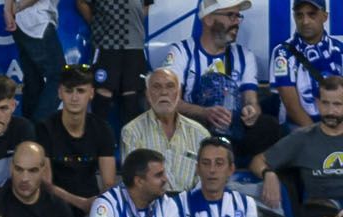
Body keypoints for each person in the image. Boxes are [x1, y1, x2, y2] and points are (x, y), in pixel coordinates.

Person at [164, 0, 280, 164]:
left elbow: (251, 99)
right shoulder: (181, 52)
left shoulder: (244, 55)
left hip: (234, 128)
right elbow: (170, 102)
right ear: (209, 19)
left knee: (269, 126)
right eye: (231, 15)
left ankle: (255, 167)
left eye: (238, 16)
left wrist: (252, 110)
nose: (237, 22)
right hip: (196, 128)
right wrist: (204, 112)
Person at [36, 64, 116, 217]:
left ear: (91, 93)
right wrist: (81, 203)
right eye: (69, 91)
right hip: (55, 207)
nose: (74, 97)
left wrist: (97, 205)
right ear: (60, 93)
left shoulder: (102, 129)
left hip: (93, 207)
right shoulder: (44, 128)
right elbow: (46, 184)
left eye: (80, 91)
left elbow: (109, 184)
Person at [259, 76, 343, 215]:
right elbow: (258, 161)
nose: (330, 111)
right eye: (325, 103)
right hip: (319, 214)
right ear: (317, 103)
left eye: (337, 104)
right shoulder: (302, 138)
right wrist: (268, 173)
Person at [123, 69, 207, 195]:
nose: (164, 92)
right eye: (156, 87)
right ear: (147, 94)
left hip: (189, 206)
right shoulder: (132, 132)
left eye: (170, 86)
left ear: (178, 93)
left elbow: (204, 181)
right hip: (150, 205)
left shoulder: (200, 133)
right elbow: (133, 183)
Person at [272, 0, 343, 132]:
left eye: (312, 14)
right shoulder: (283, 53)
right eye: (299, 15)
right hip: (298, 128)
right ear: (294, 17)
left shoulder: (340, 50)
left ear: (325, 16)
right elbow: (291, 105)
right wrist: (319, 136)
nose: (305, 22)